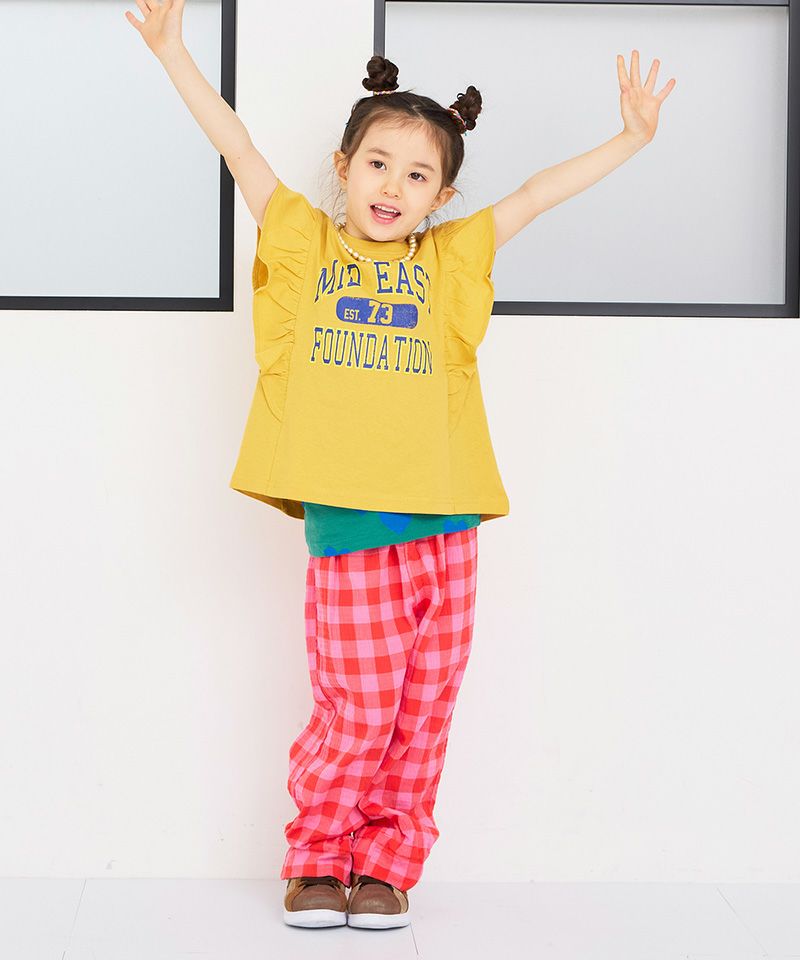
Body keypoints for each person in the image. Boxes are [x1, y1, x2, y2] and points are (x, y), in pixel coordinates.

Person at [127, 0, 674, 932]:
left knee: (422, 715)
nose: (393, 185)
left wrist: (630, 139)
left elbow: (535, 194)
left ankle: (385, 868)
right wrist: (175, 53)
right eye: (378, 163)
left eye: (419, 174)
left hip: (446, 532)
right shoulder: (302, 240)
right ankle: (316, 860)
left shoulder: (453, 260)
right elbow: (238, 147)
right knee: (356, 709)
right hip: (351, 533)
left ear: (441, 197)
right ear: (343, 167)